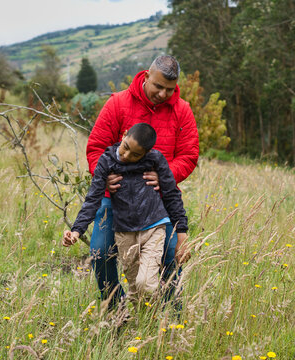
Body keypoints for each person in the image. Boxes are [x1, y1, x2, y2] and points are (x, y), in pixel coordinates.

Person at [85, 55, 199, 306]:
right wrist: (105, 177)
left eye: (170, 89)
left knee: (170, 255)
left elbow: (189, 155)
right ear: (146, 76)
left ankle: (172, 318)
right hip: (114, 198)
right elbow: (95, 149)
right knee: (100, 253)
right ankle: (116, 310)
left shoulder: (182, 110)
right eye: (158, 86)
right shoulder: (117, 104)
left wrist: (165, 174)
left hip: (157, 200)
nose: (163, 94)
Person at [63, 123, 188, 304]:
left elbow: (172, 195)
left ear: (146, 153)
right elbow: (93, 198)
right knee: (136, 290)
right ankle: (141, 325)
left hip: (154, 228)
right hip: (124, 234)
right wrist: (76, 231)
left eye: (136, 155)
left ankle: (168, 311)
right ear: (124, 135)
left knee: (146, 283)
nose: (127, 156)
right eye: (126, 148)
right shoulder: (106, 161)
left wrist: (181, 233)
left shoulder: (155, 160)